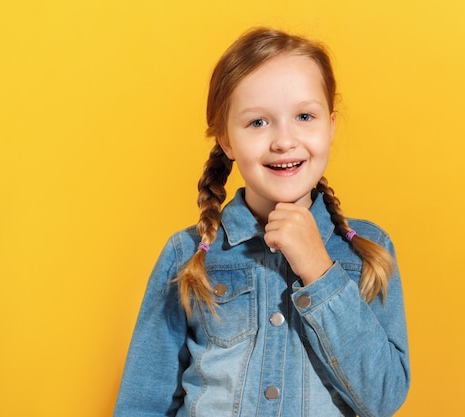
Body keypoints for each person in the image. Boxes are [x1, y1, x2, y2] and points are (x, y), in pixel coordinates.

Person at [114, 27, 410, 417]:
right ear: (226, 139)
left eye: (304, 116)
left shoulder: (368, 251)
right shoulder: (188, 255)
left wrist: (321, 273)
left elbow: (384, 397)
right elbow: (143, 402)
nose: (284, 141)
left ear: (331, 126)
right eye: (258, 123)